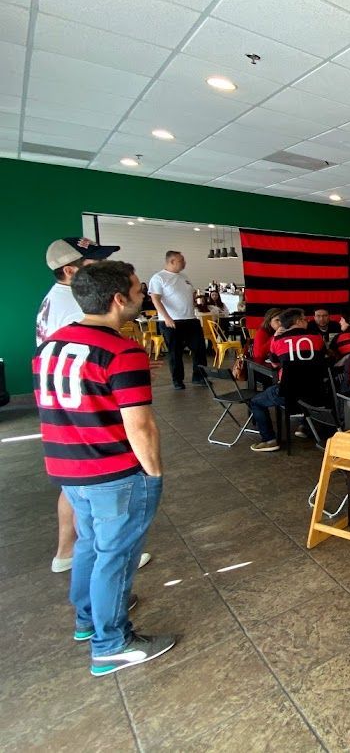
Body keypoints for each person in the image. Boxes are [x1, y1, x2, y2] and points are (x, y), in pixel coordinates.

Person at [33, 260, 175, 676]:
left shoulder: (50, 345)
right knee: (117, 555)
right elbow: (140, 426)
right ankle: (112, 644)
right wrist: (153, 473)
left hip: (68, 467)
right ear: (118, 299)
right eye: (138, 289)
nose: (142, 295)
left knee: (90, 544)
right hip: (113, 472)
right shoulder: (122, 351)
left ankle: (86, 618)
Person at [35, 236, 131, 575]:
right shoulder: (75, 307)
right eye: (95, 263)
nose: (102, 268)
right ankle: (106, 553)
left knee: (76, 485)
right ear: (70, 270)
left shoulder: (56, 298)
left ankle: (68, 552)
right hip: (83, 404)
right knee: (101, 487)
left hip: (65, 402)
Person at [248, 308, 326, 452]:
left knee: (255, 402)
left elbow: (275, 364)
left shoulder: (278, 340)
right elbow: (323, 358)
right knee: (305, 386)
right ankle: (305, 426)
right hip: (316, 393)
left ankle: (269, 440)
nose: (307, 321)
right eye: (305, 319)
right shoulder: (317, 337)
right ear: (298, 321)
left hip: (288, 394)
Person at [148, 251, 207, 391]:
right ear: (172, 261)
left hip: (190, 319)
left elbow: (188, 295)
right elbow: (155, 299)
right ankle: (178, 380)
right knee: (175, 352)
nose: (184, 263)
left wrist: (196, 302)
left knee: (199, 349)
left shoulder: (184, 277)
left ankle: (199, 377)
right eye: (182, 260)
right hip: (172, 321)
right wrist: (167, 317)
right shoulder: (159, 278)